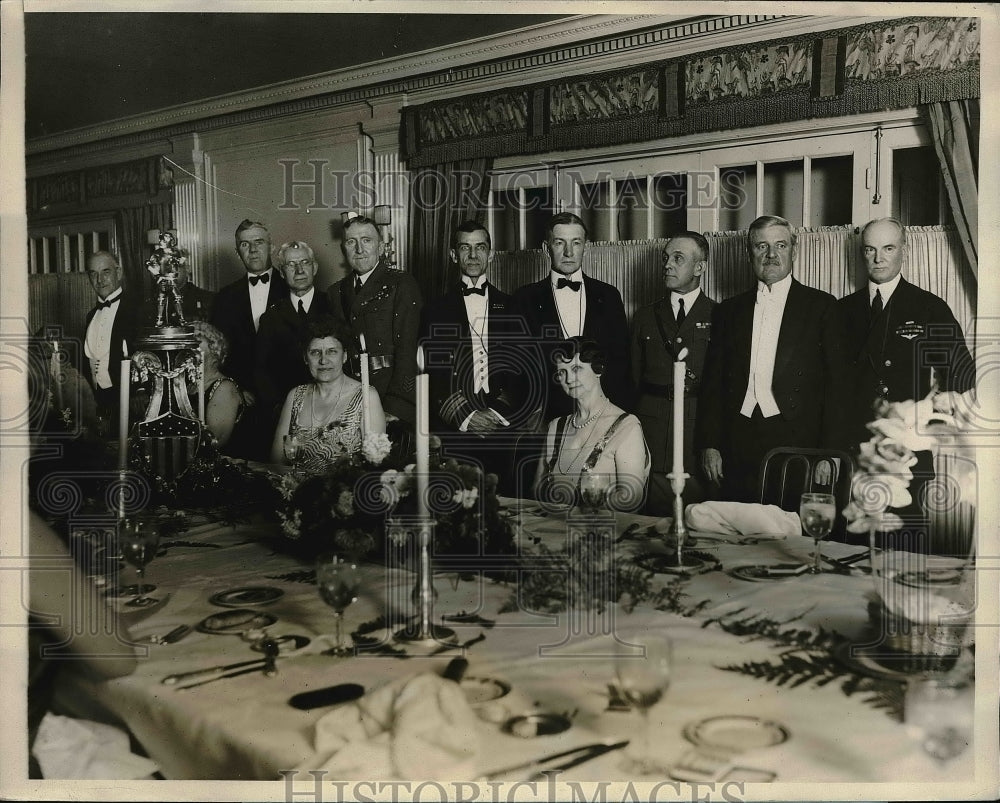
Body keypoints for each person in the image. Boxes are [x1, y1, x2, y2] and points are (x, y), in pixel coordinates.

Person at [838, 218, 975, 540]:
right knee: (849, 546)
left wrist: (925, 423)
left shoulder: (930, 307)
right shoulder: (841, 311)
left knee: (905, 546)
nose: (878, 258)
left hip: (907, 453)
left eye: (888, 248)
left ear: (904, 251)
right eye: (870, 249)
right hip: (853, 449)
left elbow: (961, 378)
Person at [696, 215, 846, 502]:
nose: (771, 255)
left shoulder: (822, 306)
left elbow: (838, 388)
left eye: (780, 245)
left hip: (798, 440)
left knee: (790, 537)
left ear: (794, 250)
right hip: (737, 440)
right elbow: (713, 384)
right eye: (761, 246)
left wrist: (830, 453)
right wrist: (710, 444)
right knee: (738, 533)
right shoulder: (728, 311)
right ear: (748, 252)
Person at [419, 221, 534, 492]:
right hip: (455, 427)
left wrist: (496, 413)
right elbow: (431, 373)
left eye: (480, 247)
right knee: (456, 508)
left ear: (491, 254)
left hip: (501, 426)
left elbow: (523, 369)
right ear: (453, 255)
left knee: (503, 507)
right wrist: (467, 417)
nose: (473, 255)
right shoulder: (434, 310)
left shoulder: (511, 305)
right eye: (465, 248)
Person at [512, 212, 632, 423]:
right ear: (545, 247)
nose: (568, 252)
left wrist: (610, 414)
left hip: (599, 416)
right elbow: (519, 365)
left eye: (576, 243)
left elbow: (620, 361)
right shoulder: (524, 298)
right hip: (545, 417)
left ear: (586, 246)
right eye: (559, 243)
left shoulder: (609, 295)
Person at [631, 232, 716, 513]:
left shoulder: (720, 315)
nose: (668, 265)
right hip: (651, 431)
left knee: (696, 520)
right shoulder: (644, 317)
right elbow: (632, 380)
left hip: (696, 435)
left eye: (678, 259)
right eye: (666, 258)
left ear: (699, 267)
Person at [326, 213, 421, 443]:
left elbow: (408, 350)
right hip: (348, 400)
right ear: (343, 250)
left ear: (380, 247)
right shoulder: (335, 292)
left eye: (366, 240)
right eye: (351, 242)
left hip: (390, 399)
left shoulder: (401, 284)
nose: (359, 248)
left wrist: (395, 407)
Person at [534, 338, 649, 511]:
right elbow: (537, 488)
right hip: (554, 529)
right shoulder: (555, 426)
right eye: (562, 372)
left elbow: (631, 499)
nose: (569, 379)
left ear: (598, 370)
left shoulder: (627, 426)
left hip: (602, 531)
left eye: (576, 369)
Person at [210, 219, 288, 458]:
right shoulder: (224, 297)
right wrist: (236, 389)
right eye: (245, 244)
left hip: (284, 403)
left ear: (271, 246)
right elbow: (218, 352)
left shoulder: (292, 289)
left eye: (259, 242)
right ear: (237, 251)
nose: (253, 250)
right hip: (242, 404)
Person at [270, 316, 387, 473]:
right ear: (305, 358)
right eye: (315, 352)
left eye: (332, 351)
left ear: (344, 356)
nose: (323, 360)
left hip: (343, 493)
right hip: (297, 493)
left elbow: (375, 466)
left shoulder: (366, 396)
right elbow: (276, 461)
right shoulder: (295, 396)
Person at [255, 241, 335, 431]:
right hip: (286, 412)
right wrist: (278, 408)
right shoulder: (271, 317)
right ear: (282, 273)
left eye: (305, 263)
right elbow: (260, 370)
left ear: (314, 268)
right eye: (291, 265)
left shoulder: (333, 306)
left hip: (332, 408)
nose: (299, 270)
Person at [83, 251, 140, 433]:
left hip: (129, 402)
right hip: (98, 402)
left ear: (119, 272)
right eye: (93, 273)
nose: (99, 280)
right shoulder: (91, 316)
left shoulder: (137, 309)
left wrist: (139, 393)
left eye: (105, 272)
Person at [190, 321, 250, 452]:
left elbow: (215, 442)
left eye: (195, 345)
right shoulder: (189, 386)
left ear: (214, 351)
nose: (188, 352)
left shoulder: (224, 388)